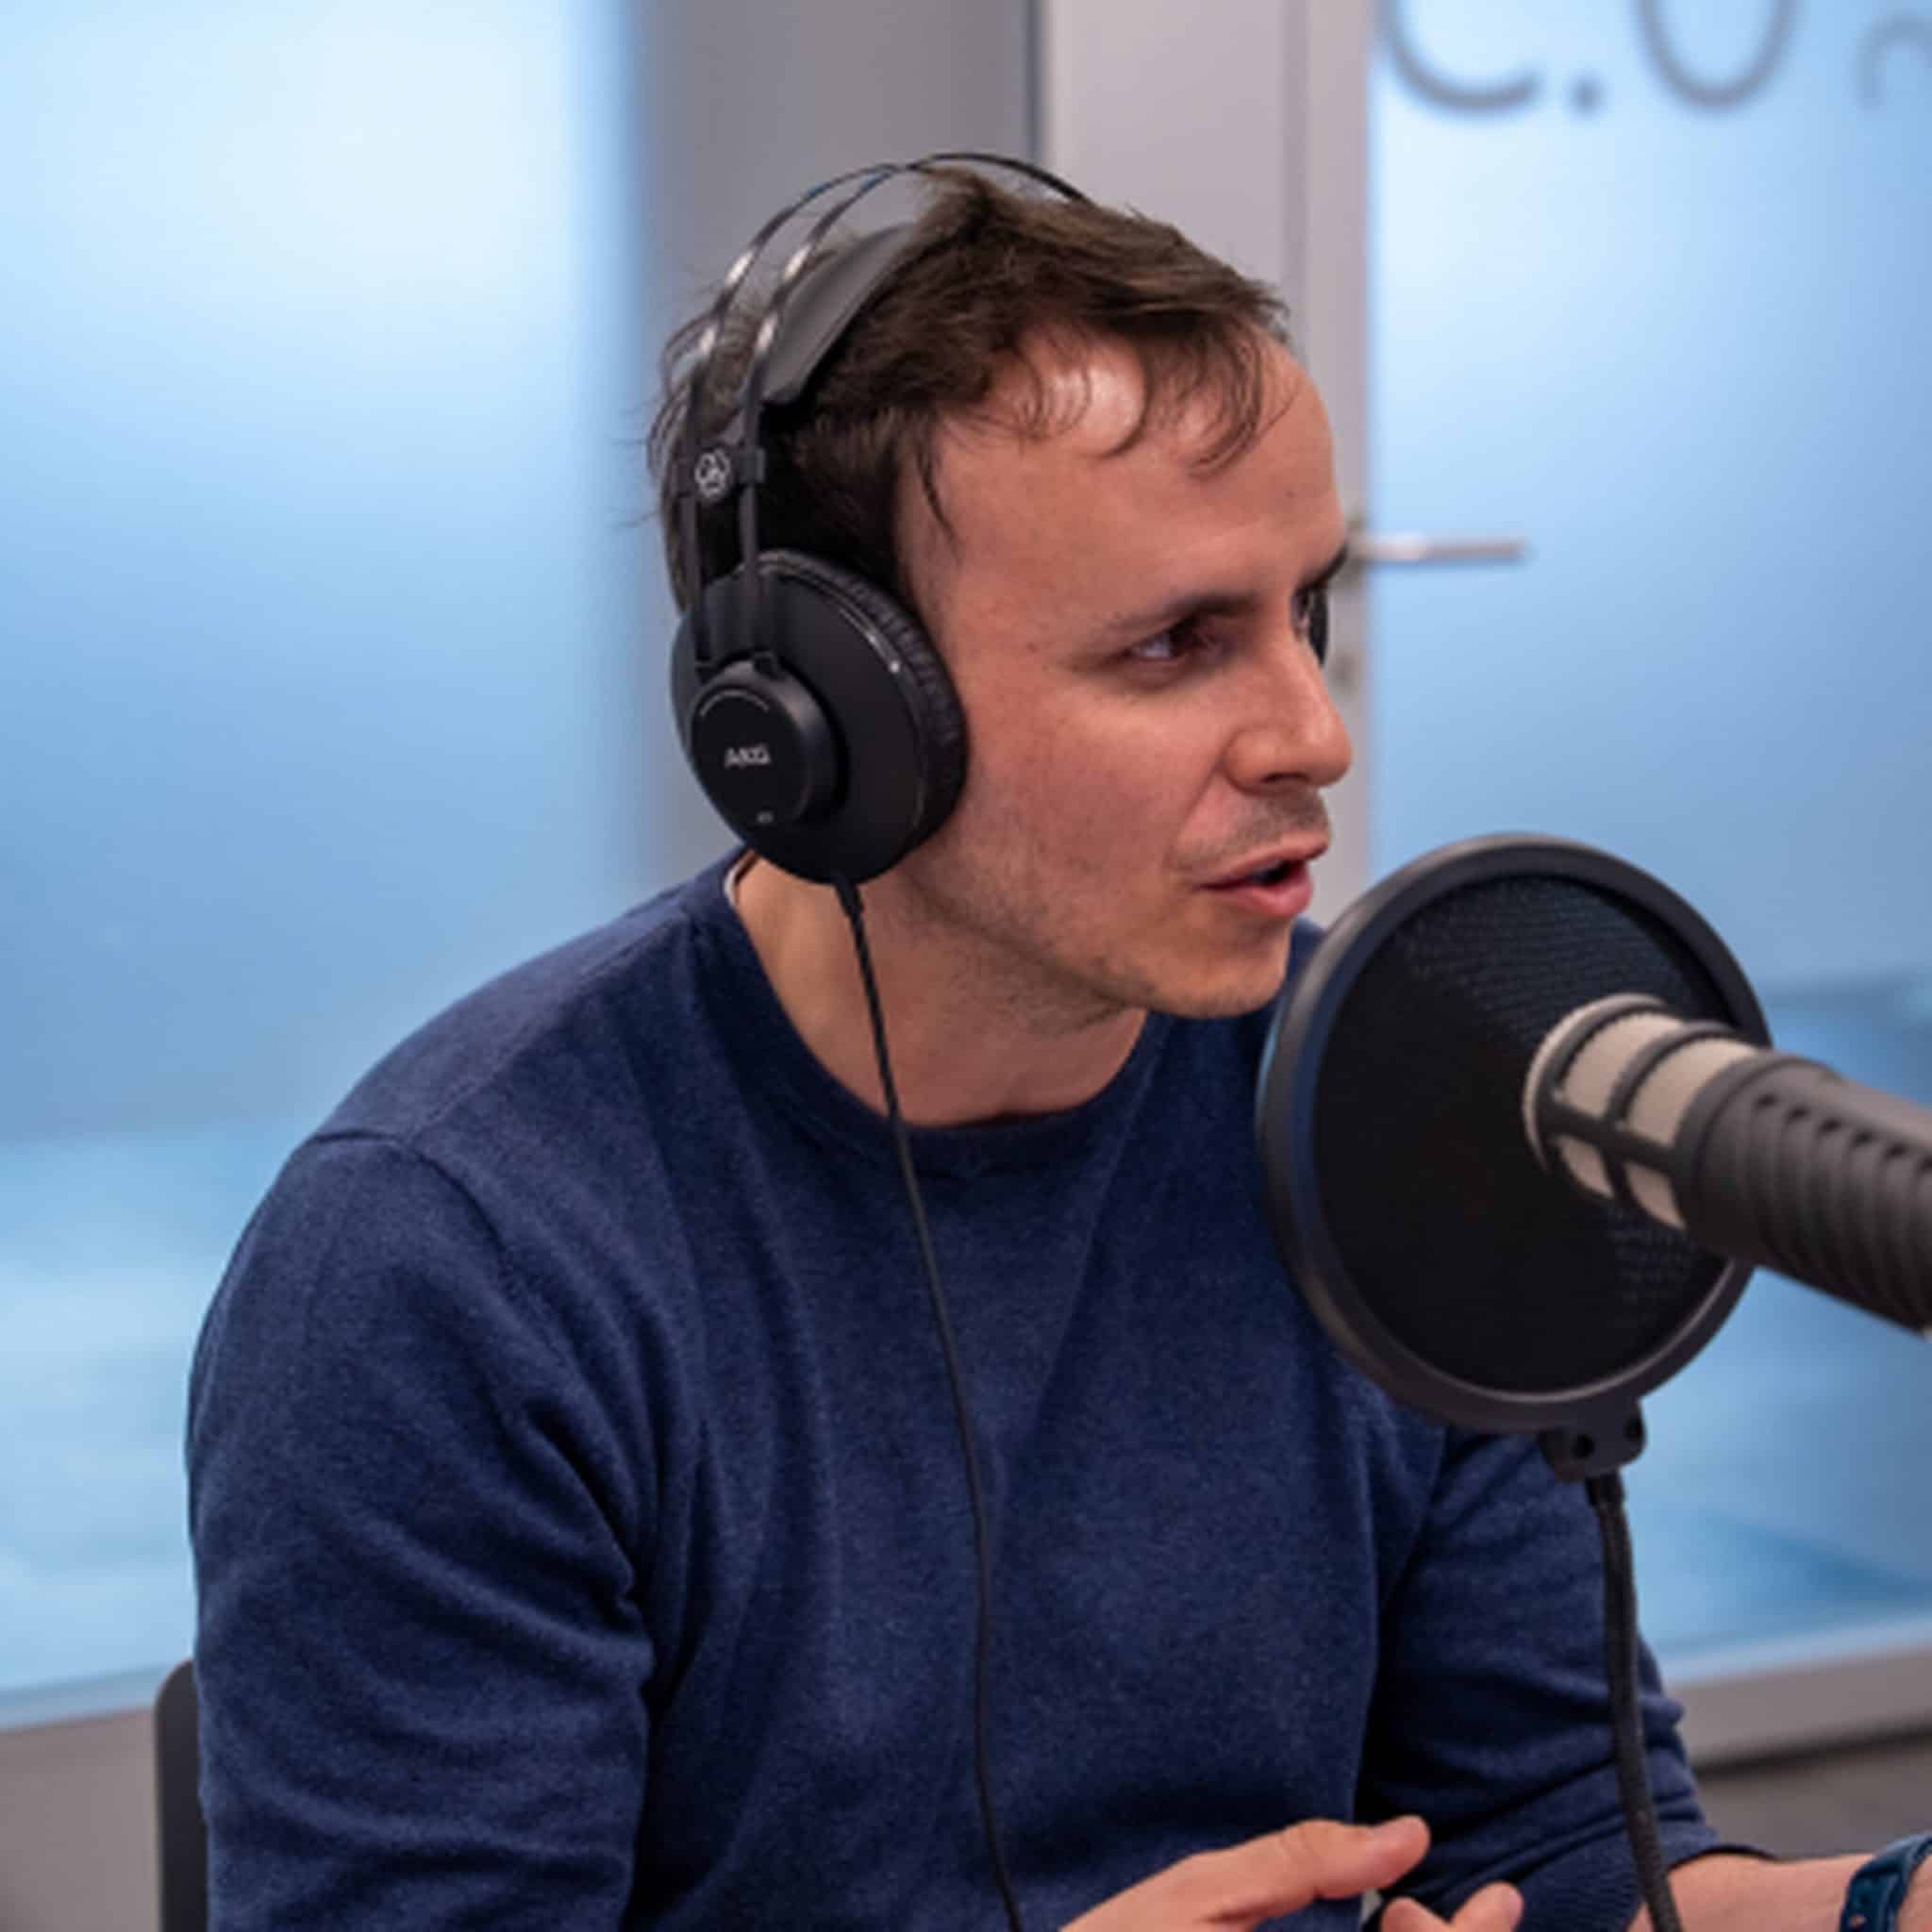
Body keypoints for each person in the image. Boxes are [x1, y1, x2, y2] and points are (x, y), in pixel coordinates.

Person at [187, 161, 1930, 1932]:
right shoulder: (448, 1267)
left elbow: (1569, 1855)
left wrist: (1887, 1907)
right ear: (834, 715)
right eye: (1177, 644)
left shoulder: (1402, 1112)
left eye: (1304, 611)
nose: (1311, 734)